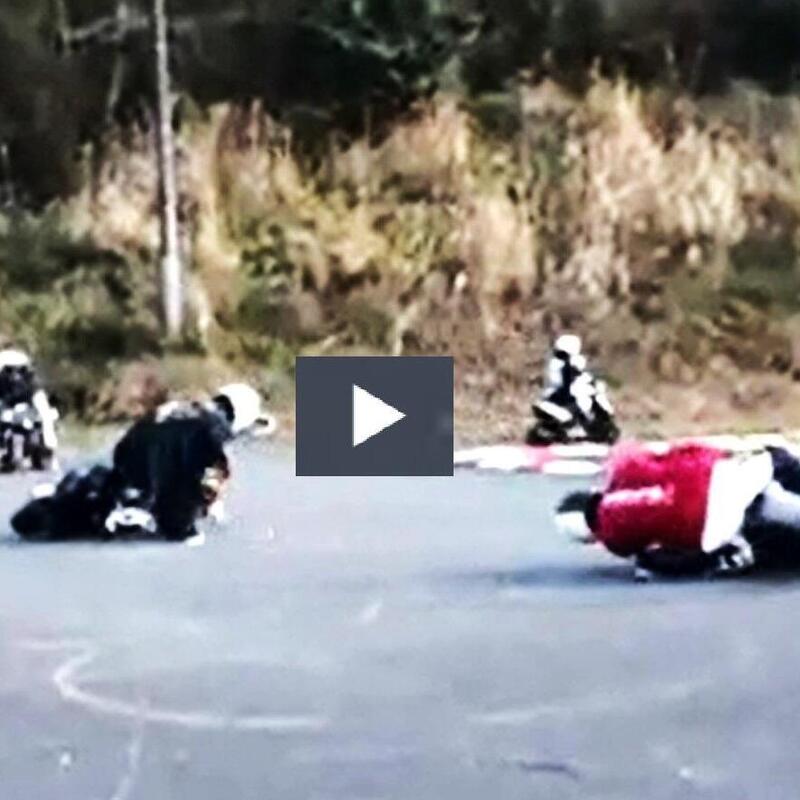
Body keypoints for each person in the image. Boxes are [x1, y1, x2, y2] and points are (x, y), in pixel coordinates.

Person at [558, 441, 800, 580]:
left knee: (658, 560)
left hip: (711, 529)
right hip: (722, 475)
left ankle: (732, 554)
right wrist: (720, 459)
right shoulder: (624, 467)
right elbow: (686, 450)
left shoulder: (613, 538)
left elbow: (655, 553)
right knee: (776, 458)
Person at [110, 383, 273, 541]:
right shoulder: (210, 435)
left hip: (129, 463)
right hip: (160, 487)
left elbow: (127, 446)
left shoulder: (181, 409)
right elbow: (211, 477)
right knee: (183, 528)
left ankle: (132, 502)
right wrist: (207, 502)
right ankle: (145, 510)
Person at [529, 334, 619, 444]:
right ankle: (575, 428)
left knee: (580, 399)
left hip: (555, 395)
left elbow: (580, 374)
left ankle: (577, 427)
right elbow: (575, 374)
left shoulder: (554, 360)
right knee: (581, 400)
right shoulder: (566, 362)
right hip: (559, 396)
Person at [0, 348, 59, 466]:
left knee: (46, 417)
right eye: (9, 370)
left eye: (20, 370)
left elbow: (41, 402)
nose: (15, 374)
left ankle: (49, 449)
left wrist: (49, 439)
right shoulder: (2, 383)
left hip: (30, 413)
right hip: (9, 413)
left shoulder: (32, 382)